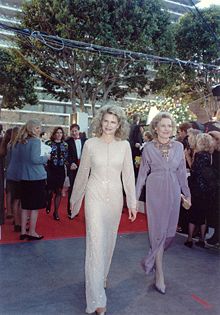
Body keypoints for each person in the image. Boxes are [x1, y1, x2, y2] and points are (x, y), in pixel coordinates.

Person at [70, 105, 137, 315]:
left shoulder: (124, 146)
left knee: (108, 241)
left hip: (115, 199)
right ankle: (97, 298)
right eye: (106, 121)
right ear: (101, 121)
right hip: (94, 197)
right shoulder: (90, 144)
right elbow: (82, 174)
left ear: (119, 125)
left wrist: (132, 203)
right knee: (95, 243)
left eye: (113, 122)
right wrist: (75, 200)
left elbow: (128, 176)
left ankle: (101, 277)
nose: (108, 125)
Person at [136, 112, 191, 294]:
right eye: (163, 125)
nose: (167, 129)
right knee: (158, 231)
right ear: (156, 128)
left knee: (169, 233)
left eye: (169, 126)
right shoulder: (148, 148)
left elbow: (182, 173)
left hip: (174, 190)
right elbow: (142, 174)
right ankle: (159, 274)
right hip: (155, 191)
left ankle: (149, 260)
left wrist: (187, 195)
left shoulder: (178, 146)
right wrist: (134, 198)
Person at [14, 120, 50, 240]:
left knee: (25, 206)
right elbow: (35, 159)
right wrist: (46, 157)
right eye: (37, 128)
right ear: (31, 129)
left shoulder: (20, 142)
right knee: (34, 207)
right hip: (36, 178)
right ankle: (32, 232)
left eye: (39, 127)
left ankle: (23, 231)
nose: (39, 130)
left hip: (24, 177)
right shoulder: (35, 141)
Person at [184, 133, 215, 248]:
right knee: (203, 215)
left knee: (193, 213)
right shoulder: (210, 155)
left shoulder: (198, 154)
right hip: (207, 189)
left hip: (197, 188)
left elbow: (194, 170)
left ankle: (189, 238)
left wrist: (187, 157)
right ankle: (202, 239)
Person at [45, 127, 68, 220]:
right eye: (57, 133)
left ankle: (56, 212)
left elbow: (66, 158)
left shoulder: (65, 145)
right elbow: (44, 155)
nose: (59, 134)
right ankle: (48, 203)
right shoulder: (48, 143)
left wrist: (70, 165)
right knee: (49, 190)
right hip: (50, 169)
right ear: (54, 134)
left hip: (60, 170)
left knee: (58, 191)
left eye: (60, 133)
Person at [66, 123, 87, 218]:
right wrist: (71, 163)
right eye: (72, 131)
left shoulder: (85, 141)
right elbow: (66, 155)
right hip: (73, 168)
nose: (74, 133)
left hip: (83, 168)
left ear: (79, 131)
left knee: (81, 189)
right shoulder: (68, 141)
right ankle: (70, 210)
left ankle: (77, 209)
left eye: (75, 131)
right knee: (73, 188)